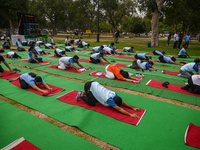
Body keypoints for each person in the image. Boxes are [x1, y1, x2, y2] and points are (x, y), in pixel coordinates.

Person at [76, 81, 140, 118]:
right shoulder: (109, 99)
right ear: (113, 102)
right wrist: (130, 114)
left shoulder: (114, 94)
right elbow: (119, 108)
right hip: (89, 86)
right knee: (92, 103)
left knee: (97, 99)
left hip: (95, 84)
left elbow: (123, 102)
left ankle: (85, 93)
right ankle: (81, 95)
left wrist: (132, 108)